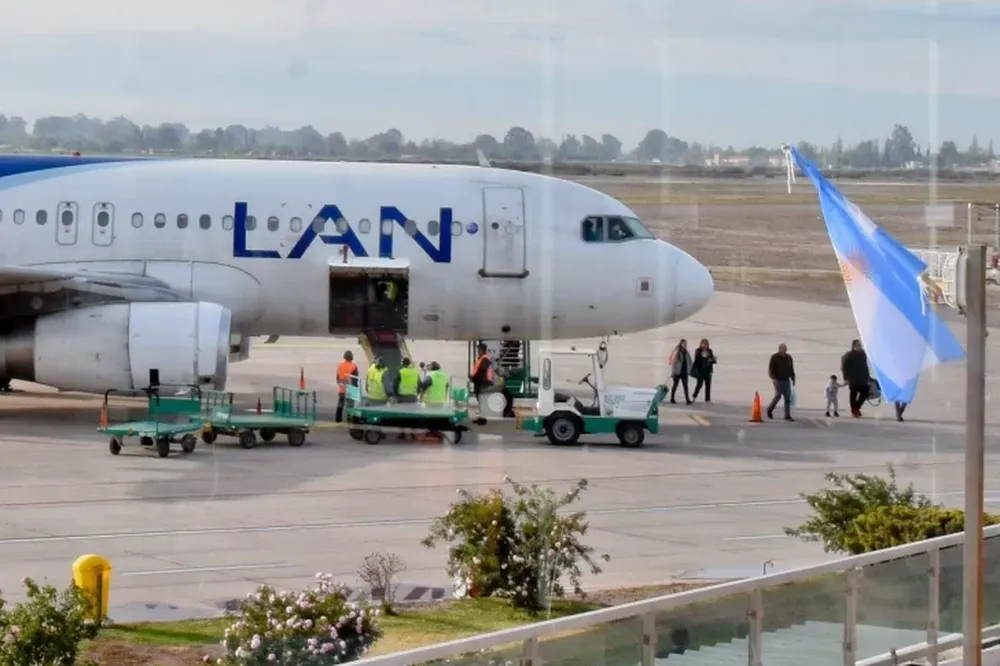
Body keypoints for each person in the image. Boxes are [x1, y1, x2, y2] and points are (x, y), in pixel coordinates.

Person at [841, 339, 872, 418]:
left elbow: (865, 366)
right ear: (853, 346)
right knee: (853, 394)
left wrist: (868, 376)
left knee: (865, 393)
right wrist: (845, 378)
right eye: (857, 345)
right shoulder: (849, 355)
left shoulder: (863, 354)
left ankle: (856, 408)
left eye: (860, 345)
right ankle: (854, 411)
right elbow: (844, 367)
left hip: (862, 377)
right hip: (853, 378)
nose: (859, 347)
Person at [766, 343, 796, 422]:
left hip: (786, 380)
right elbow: (771, 369)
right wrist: (773, 378)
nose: (785, 350)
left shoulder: (789, 357)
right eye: (783, 348)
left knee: (787, 398)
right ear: (779, 349)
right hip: (778, 380)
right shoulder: (774, 357)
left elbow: (791, 368)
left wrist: (793, 378)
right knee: (778, 396)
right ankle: (769, 409)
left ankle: (787, 415)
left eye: (785, 349)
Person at [469, 342, 495, 424]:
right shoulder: (481, 358)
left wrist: (473, 378)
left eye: (479, 349)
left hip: (483, 383)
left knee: (482, 401)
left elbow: (481, 371)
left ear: (482, 350)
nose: (478, 351)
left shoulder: (485, 359)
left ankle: (483, 419)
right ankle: (481, 417)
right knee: (480, 401)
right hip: (480, 382)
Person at [335, 350, 359, 423]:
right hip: (350, 388)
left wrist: (340, 384)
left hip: (342, 388)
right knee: (350, 405)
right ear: (352, 357)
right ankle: (349, 419)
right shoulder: (354, 366)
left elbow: (337, 377)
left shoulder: (340, 365)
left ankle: (338, 419)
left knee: (340, 404)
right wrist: (355, 389)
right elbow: (355, 379)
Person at [690, 338, 717, 403]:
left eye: (706, 344)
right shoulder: (698, 350)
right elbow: (697, 360)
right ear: (701, 344)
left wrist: (713, 360)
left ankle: (707, 400)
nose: (705, 345)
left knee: (708, 386)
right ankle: (693, 397)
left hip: (708, 371)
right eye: (703, 343)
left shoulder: (710, 351)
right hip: (700, 371)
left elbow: (712, 360)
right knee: (699, 385)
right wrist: (705, 359)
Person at [668, 339, 693, 405]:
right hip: (677, 372)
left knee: (685, 386)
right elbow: (673, 363)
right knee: (675, 385)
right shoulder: (677, 352)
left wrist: (691, 370)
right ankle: (672, 398)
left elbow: (689, 361)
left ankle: (687, 400)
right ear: (681, 344)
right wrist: (673, 372)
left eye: (685, 344)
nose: (685, 345)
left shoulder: (686, 352)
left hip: (684, 372)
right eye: (683, 343)